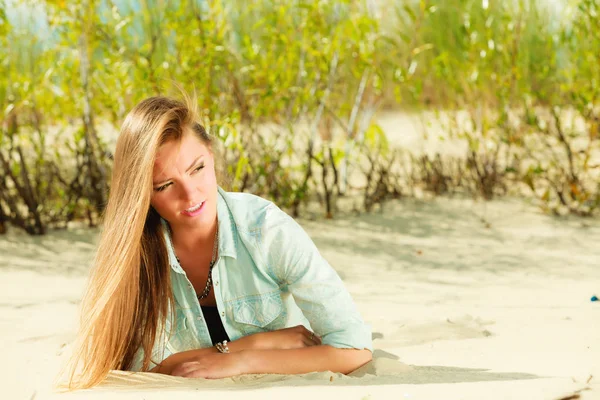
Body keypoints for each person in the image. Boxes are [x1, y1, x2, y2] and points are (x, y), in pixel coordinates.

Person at [63, 95, 372, 389]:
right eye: (165, 185)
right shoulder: (135, 255)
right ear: (142, 195)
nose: (190, 194)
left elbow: (354, 348)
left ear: (210, 154)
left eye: (197, 168)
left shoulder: (266, 229)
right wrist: (248, 345)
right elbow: (124, 369)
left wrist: (246, 362)